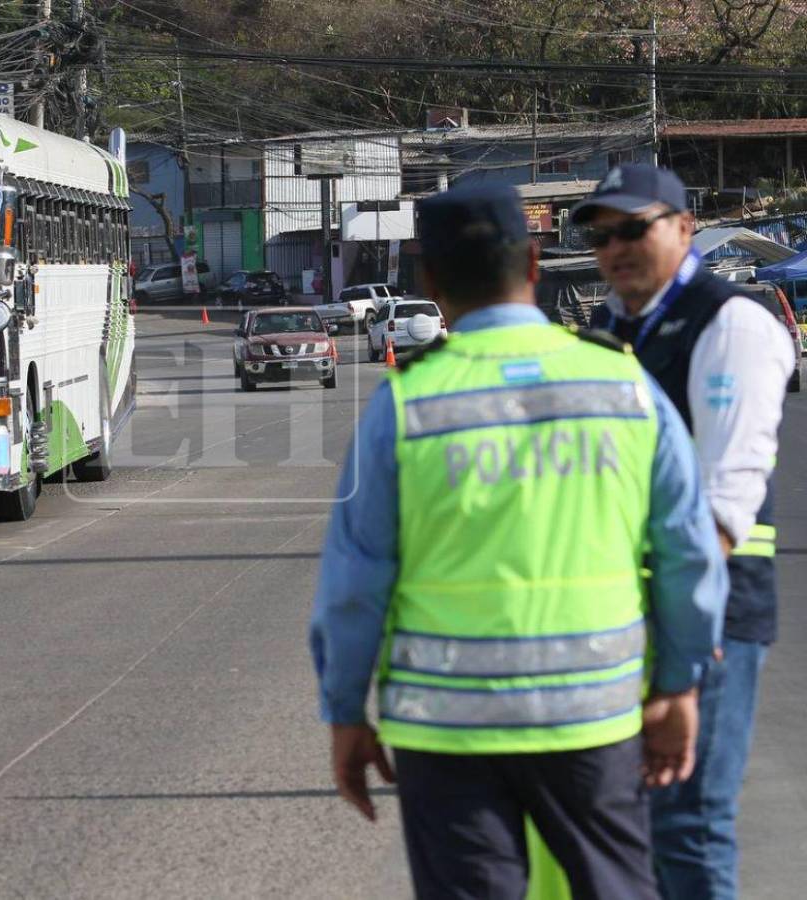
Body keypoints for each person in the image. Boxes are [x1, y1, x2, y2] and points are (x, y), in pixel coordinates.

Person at [309, 182, 727, 900]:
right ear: (535, 263)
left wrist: (346, 711)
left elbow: (355, 584)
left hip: (446, 732)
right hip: (593, 717)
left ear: (430, 282)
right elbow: (689, 551)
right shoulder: (625, 387)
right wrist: (679, 683)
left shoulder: (405, 406)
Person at [576, 163, 795, 898]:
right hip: (621, 615)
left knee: (690, 825)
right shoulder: (608, 327)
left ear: (684, 226)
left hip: (712, 613)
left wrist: (681, 660)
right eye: (603, 235)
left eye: (634, 228)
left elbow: (724, 503)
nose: (616, 248)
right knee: (625, 830)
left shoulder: (731, 322)